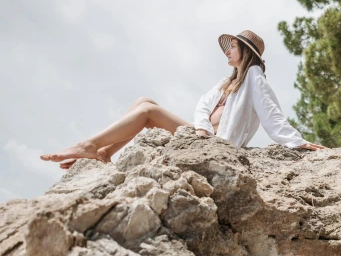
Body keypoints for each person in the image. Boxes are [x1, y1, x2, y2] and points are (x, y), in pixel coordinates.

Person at [40, 29, 325, 169]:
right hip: (202, 136)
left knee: (148, 111)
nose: (227, 52)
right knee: (143, 101)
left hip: (218, 145)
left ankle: (89, 145)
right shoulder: (227, 82)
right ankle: (104, 153)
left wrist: (298, 142)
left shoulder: (254, 78)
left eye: (233, 47)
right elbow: (203, 105)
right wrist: (200, 126)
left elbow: (271, 113)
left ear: (246, 52)